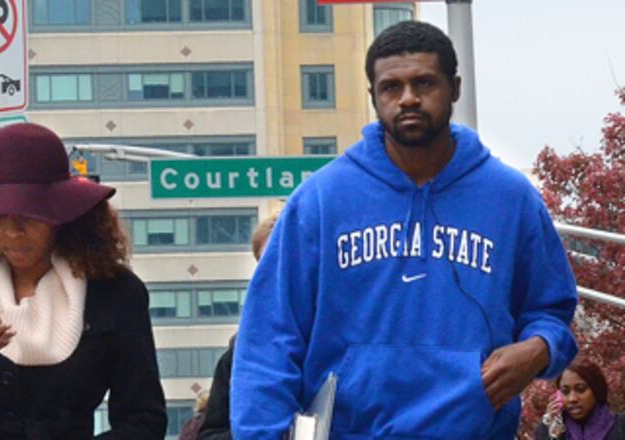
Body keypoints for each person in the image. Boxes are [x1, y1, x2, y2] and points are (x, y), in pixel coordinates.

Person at [230, 20, 579, 439]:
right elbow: (269, 337)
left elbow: (551, 310)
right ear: (374, 97)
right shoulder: (321, 199)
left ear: (455, 88)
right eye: (391, 87)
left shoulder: (510, 197)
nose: (408, 98)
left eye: (424, 83)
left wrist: (538, 349)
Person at [0, 123, 167, 439]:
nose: (12, 231)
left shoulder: (115, 292)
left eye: (29, 217)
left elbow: (144, 420)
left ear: (61, 215)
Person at [196, 213, 278, 440]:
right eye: (266, 261)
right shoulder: (240, 355)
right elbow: (209, 434)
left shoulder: (337, 339)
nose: (275, 271)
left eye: (285, 258)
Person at [535, 358, 625, 440]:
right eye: (565, 392)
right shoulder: (547, 431)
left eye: (581, 389)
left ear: (596, 390)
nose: (572, 399)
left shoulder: (620, 426)